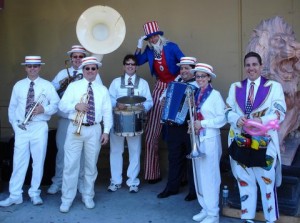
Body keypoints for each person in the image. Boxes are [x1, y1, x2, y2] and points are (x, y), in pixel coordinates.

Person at [225, 52, 286, 223]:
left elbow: (280, 112)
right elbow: (227, 110)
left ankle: (270, 219)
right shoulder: (235, 87)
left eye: (254, 64)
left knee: (267, 182)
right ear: (245, 67)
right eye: (248, 65)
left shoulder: (274, 87)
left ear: (261, 66)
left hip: (264, 142)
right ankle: (248, 217)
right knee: (245, 180)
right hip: (241, 141)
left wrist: (261, 120)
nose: (251, 68)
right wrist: (237, 118)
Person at [0, 56, 59, 207]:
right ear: (25, 68)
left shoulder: (47, 86)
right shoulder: (18, 85)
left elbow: (56, 105)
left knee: (38, 162)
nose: (32, 68)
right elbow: (12, 108)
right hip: (21, 128)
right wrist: (15, 126)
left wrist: (43, 109)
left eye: (35, 66)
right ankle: (15, 195)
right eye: (29, 66)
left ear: (40, 67)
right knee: (19, 162)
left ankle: (34, 193)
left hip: (39, 127)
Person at [58, 56, 112, 213]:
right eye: (87, 68)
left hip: (94, 130)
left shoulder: (102, 90)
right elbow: (62, 104)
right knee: (70, 166)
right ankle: (67, 199)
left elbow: (107, 112)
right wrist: (76, 105)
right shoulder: (74, 86)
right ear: (83, 70)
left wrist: (106, 131)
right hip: (75, 128)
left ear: (97, 71)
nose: (90, 71)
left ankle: (88, 195)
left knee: (90, 166)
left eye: (93, 68)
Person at [48, 45, 102, 195]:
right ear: (70, 58)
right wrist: (64, 86)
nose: (78, 59)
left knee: (85, 154)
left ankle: (81, 182)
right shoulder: (61, 74)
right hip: (67, 119)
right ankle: (58, 181)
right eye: (75, 56)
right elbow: (51, 91)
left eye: (80, 56)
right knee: (62, 152)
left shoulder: (92, 72)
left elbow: (100, 95)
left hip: (86, 121)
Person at [135, 21, 184, 183]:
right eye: (149, 37)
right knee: (151, 132)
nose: (153, 39)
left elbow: (185, 63)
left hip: (175, 86)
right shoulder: (149, 50)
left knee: (178, 131)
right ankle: (152, 174)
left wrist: (178, 80)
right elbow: (137, 61)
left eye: (155, 35)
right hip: (159, 86)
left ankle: (181, 177)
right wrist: (139, 45)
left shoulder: (171, 46)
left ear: (159, 35)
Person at [107, 54, 153, 193]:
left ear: (136, 67)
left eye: (133, 64)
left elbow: (149, 101)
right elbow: (108, 99)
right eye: (128, 64)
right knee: (116, 151)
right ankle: (115, 181)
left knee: (135, 151)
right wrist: (117, 103)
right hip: (118, 120)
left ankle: (133, 181)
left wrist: (142, 107)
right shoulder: (115, 82)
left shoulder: (143, 83)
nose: (130, 66)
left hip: (135, 121)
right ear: (124, 66)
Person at [157, 57, 197, 201]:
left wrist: (194, 104)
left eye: (187, 68)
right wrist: (163, 102)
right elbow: (164, 98)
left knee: (192, 160)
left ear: (193, 69)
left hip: (189, 127)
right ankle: (171, 188)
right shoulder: (175, 84)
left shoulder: (198, 84)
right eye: (182, 68)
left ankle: (194, 191)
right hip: (173, 126)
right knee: (173, 158)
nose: (184, 71)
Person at [191, 63, 226, 223]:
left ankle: (213, 214)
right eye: (197, 76)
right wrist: (192, 126)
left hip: (210, 138)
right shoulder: (196, 93)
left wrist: (202, 124)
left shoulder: (215, 95)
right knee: (199, 175)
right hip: (198, 138)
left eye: (203, 76)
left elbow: (222, 119)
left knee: (210, 176)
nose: (200, 79)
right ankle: (205, 208)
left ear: (209, 78)